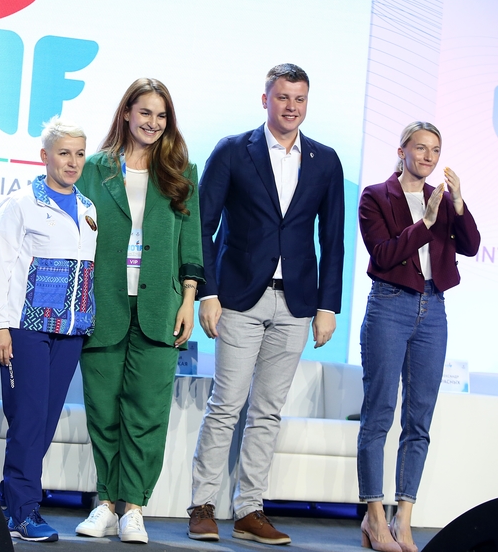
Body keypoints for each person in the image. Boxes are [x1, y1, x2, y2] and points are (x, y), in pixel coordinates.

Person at [187, 63, 345, 545]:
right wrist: (208, 292)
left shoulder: (325, 160)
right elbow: (203, 226)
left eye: (299, 99)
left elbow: (333, 239)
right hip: (238, 298)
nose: (291, 107)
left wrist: (327, 306)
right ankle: (202, 505)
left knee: (268, 411)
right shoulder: (234, 150)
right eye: (282, 97)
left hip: (296, 303)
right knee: (226, 405)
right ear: (265, 100)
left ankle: (249, 510)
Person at [74, 78, 204, 544]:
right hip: (103, 304)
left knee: (147, 412)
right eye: (145, 112)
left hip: (159, 306)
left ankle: (134, 508)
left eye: (161, 115)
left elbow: (191, 242)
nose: (153, 122)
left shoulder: (181, 171)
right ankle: (106, 503)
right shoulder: (94, 169)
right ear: (127, 112)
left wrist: (188, 298)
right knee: (103, 409)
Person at [356, 122, 479, 552]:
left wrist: (458, 204)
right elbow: (384, 254)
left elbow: (471, 245)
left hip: (433, 308)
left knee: (419, 419)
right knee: (378, 414)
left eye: (435, 150)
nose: (428, 157)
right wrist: (425, 223)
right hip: (389, 304)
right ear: (402, 151)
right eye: (421, 148)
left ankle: (403, 518)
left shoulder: (441, 199)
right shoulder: (376, 196)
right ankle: (374, 517)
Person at [0, 117, 97, 542]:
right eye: (64, 153)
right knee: (28, 419)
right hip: (26, 329)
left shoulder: (88, 208)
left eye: (79, 154)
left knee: (44, 421)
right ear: (44, 156)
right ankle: (25, 510)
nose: (73, 162)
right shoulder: (20, 204)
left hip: (70, 331)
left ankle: (15, 506)